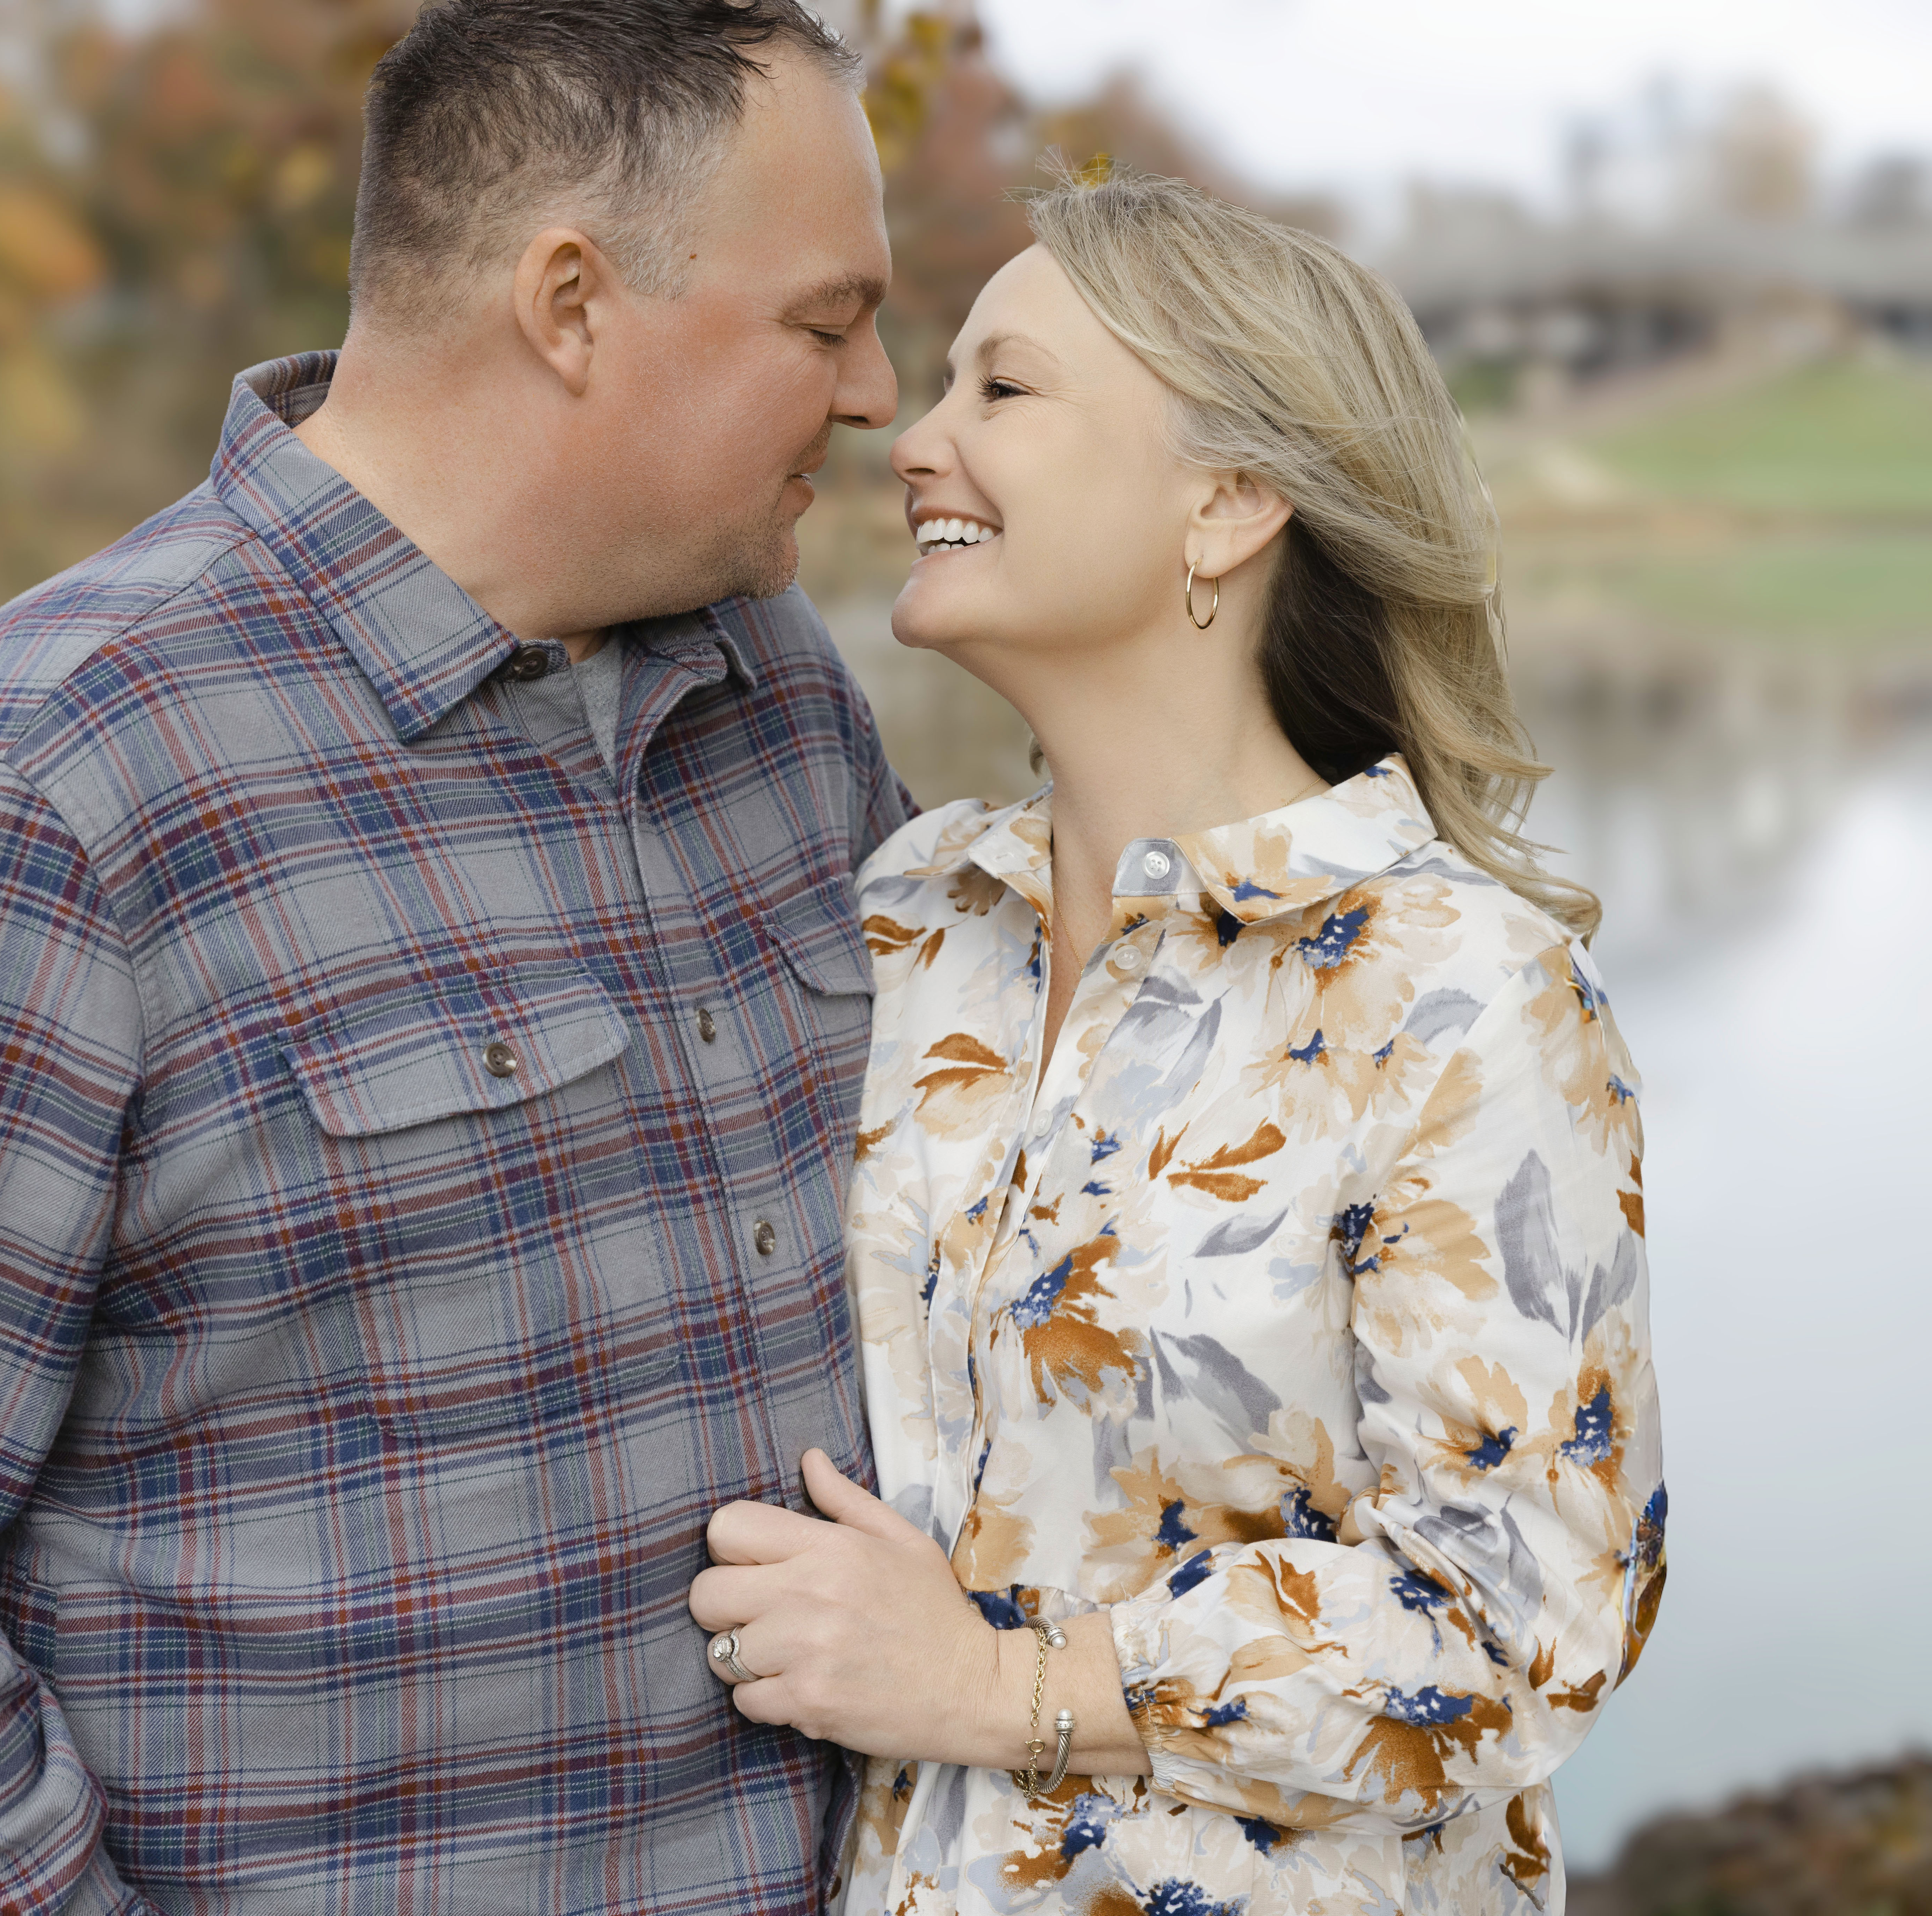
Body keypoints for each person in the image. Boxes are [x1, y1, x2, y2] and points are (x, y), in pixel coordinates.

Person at [0, 4, 904, 1910]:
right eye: (827, 323)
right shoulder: (67, 766)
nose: (884, 389)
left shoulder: (785, 701)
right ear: (571, 303)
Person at [686, 172, 1668, 1914]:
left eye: (1003, 389)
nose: (912, 439)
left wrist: (1001, 1687)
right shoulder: (911, 918)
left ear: (1224, 501)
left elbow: (1519, 1616)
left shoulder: (1455, 989)